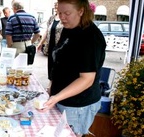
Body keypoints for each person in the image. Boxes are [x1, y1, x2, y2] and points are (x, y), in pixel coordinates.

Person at [38, 0, 106, 137]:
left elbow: (86, 80)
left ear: (81, 11)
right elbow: (60, 62)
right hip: (62, 98)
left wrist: (56, 97)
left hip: (78, 105)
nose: (62, 17)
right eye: (59, 13)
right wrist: (53, 86)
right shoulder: (69, 29)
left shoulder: (90, 38)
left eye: (67, 13)